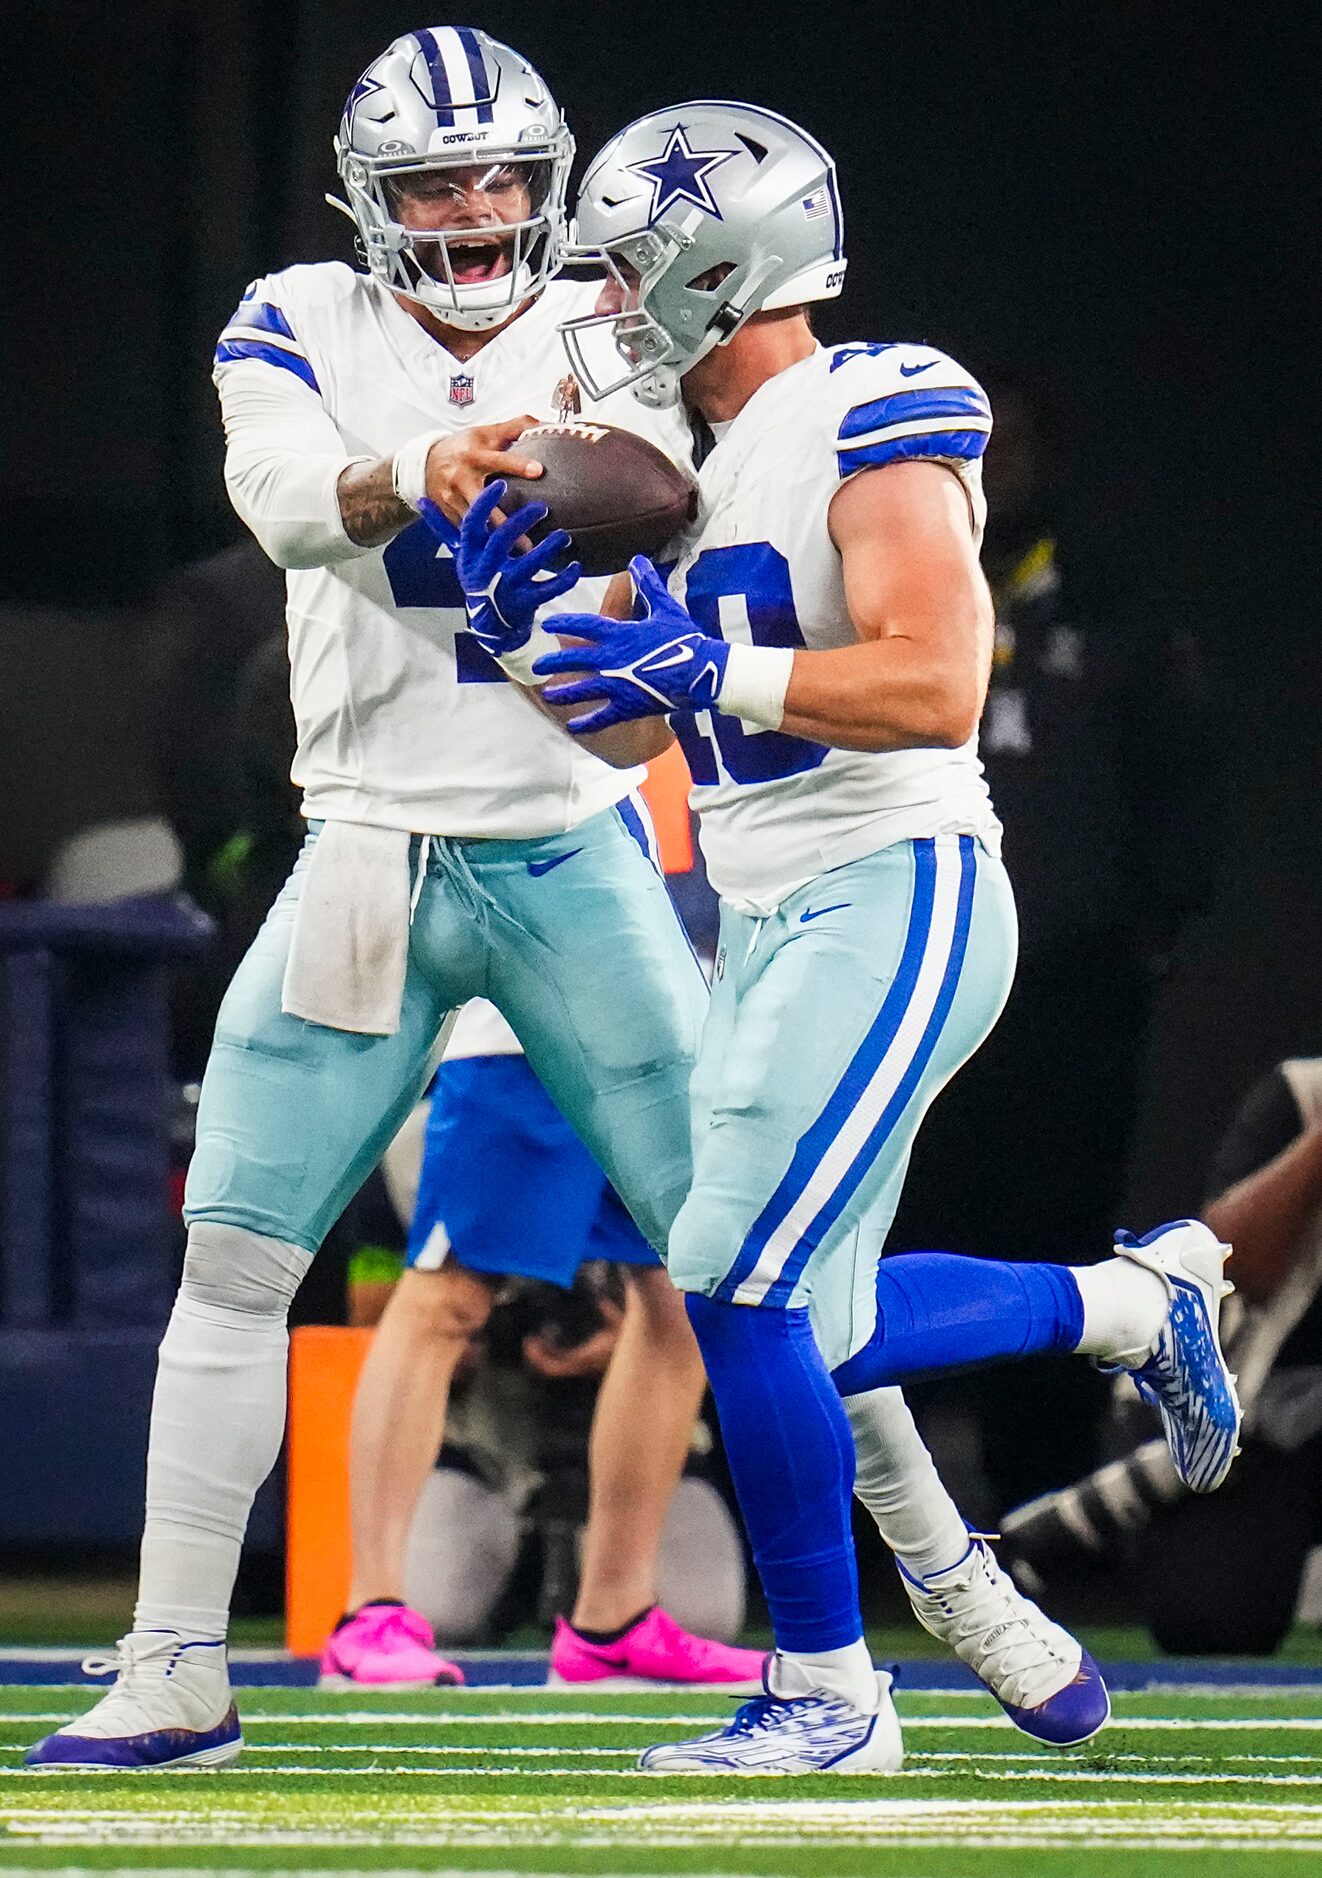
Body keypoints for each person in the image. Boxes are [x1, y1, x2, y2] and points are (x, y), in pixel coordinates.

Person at [23, 33, 1170, 1773]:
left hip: (578, 857)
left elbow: (682, 574)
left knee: (760, 1267)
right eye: (435, 181)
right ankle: (175, 1656)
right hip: (365, 855)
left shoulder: (626, 325)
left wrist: (634, 605)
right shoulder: (296, 319)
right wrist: (425, 474)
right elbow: (282, 503)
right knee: (236, 1258)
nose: (476, 211)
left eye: (502, 177)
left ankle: (960, 1582)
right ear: (365, 199)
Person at [503, 99, 1243, 1774]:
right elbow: (628, 738)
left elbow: (930, 682)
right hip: (769, 910)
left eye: (631, 269)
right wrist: (531, 630)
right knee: (800, 1316)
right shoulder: (665, 477)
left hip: (892, 887)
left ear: (722, 258)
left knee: (730, 1278)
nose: (609, 305)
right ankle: (1125, 1304)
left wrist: (716, 669)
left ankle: (831, 1688)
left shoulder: (872, 402)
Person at [328, 995, 760, 1687]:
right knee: (449, 1293)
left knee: (683, 1302)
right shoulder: (405, 1136)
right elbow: (370, 1307)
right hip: (541, 1017)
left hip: (687, 1033)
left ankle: (612, 1622)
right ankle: (369, 1613)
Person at [1003, 1054, 1322, 1656]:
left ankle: (1087, 1511)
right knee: (1211, 1621)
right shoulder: (1304, 1092)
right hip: (1264, 1421)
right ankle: (1121, 1491)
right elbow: (1237, 1262)